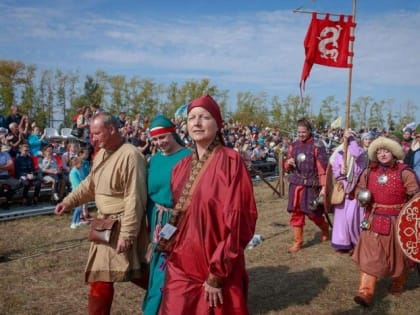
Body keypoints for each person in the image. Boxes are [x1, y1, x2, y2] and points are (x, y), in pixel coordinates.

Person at [157, 95, 258, 315]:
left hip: (218, 263)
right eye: (192, 117)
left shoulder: (231, 161)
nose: (197, 123)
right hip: (181, 262)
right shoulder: (180, 167)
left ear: (217, 123)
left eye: (205, 117)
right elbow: (180, 214)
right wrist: (165, 237)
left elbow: (241, 219)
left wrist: (217, 273)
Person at [54, 111, 149, 315]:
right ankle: (168, 292)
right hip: (104, 225)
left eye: (96, 133)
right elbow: (90, 184)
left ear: (112, 129)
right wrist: (69, 201)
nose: (92, 138)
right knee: (104, 278)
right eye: (91, 133)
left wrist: (128, 233)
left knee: (134, 272)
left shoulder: (131, 155)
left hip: (123, 225)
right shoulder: (102, 154)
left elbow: (135, 197)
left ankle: (170, 294)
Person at [352, 136, 419, 307]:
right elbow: (359, 189)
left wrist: (409, 217)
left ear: (394, 152)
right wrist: (362, 197)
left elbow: (415, 195)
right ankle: (365, 292)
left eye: (386, 151)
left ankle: (398, 283)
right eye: (379, 151)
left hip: (397, 220)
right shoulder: (369, 172)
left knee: (398, 257)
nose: (382, 154)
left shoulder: (405, 172)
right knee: (369, 255)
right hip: (373, 218)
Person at [142, 115, 192, 315]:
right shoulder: (154, 160)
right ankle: (155, 306)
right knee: (158, 265)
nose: (159, 143)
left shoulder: (189, 157)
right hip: (157, 221)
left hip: (180, 220)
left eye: (163, 137)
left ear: (173, 133)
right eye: (155, 139)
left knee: (173, 268)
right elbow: (149, 197)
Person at [283, 118, 330, 253]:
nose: (301, 134)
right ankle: (298, 242)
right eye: (299, 132)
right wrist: (288, 163)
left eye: (303, 132)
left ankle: (325, 228)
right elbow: (286, 167)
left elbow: (322, 169)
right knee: (296, 212)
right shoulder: (293, 145)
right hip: (296, 183)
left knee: (313, 213)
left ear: (309, 131)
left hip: (311, 184)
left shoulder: (317, 146)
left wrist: (324, 187)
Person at [330, 130, 367, 254]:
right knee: (341, 219)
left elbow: (355, 154)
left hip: (355, 189)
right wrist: (341, 172)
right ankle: (343, 243)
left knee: (353, 218)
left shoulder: (361, 153)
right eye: (345, 139)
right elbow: (335, 170)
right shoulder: (339, 154)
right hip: (343, 188)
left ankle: (357, 243)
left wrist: (350, 138)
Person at [67, 156, 88, 229]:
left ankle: (77, 221)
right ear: (75, 164)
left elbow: (84, 178)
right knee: (78, 208)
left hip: (82, 191)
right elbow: (77, 184)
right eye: (80, 163)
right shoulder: (73, 172)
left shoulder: (80, 169)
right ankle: (73, 223)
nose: (82, 164)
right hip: (76, 192)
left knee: (80, 207)